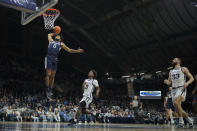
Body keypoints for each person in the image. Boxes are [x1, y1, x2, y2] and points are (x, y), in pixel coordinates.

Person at [45, 33, 84, 99]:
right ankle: (47, 88)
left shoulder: (61, 44)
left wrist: (77, 51)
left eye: (58, 36)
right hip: (48, 58)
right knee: (48, 74)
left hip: (55, 59)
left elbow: (69, 50)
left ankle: (50, 89)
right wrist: (55, 32)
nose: (57, 36)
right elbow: (49, 34)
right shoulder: (51, 40)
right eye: (57, 35)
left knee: (52, 76)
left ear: (60, 39)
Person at [164, 58, 194, 128]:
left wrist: (187, 83)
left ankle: (181, 122)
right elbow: (169, 82)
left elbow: (192, 78)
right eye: (173, 60)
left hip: (181, 88)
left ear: (179, 61)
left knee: (176, 103)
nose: (173, 60)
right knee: (177, 107)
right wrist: (166, 81)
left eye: (174, 59)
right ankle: (190, 120)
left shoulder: (183, 69)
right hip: (173, 90)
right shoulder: (171, 71)